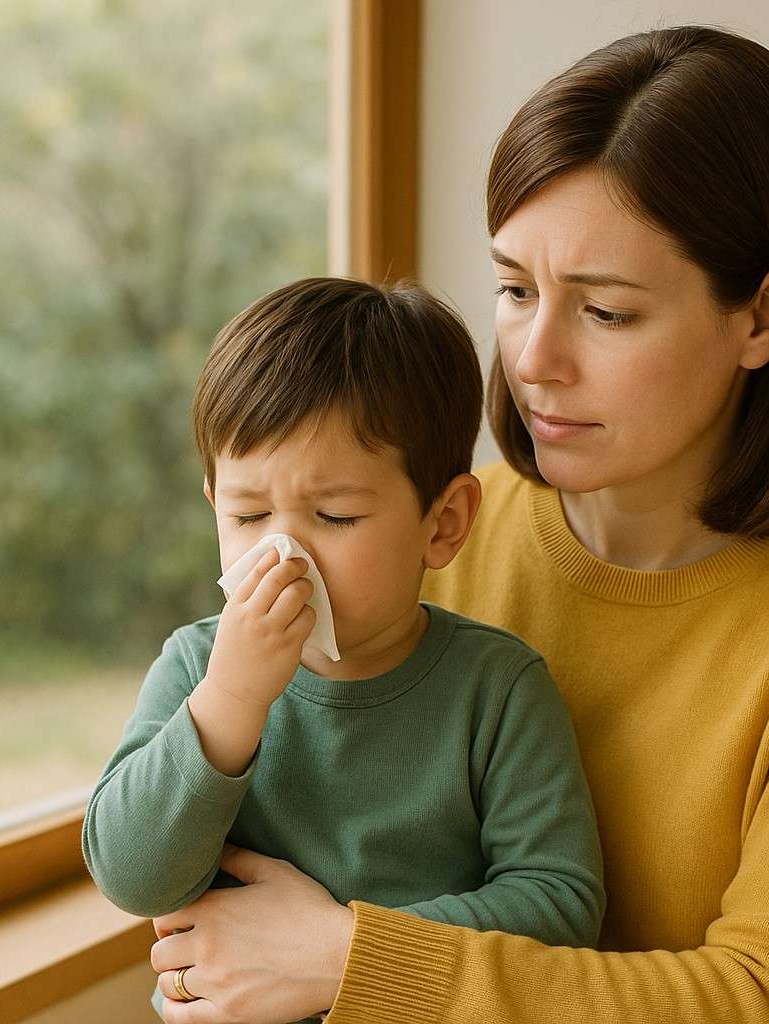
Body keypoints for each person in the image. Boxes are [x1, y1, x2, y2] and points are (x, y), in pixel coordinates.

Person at [147, 24, 769, 1024]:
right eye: (514, 289)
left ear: (762, 316)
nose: (533, 358)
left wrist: (350, 960)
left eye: (606, 312)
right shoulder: (433, 530)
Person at [81, 277, 606, 1024]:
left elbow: (561, 906)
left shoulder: (497, 688)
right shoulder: (198, 668)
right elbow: (132, 877)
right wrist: (230, 703)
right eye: (248, 514)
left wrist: (348, 950)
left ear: (443, 524)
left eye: (334, 516)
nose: (283, 556)